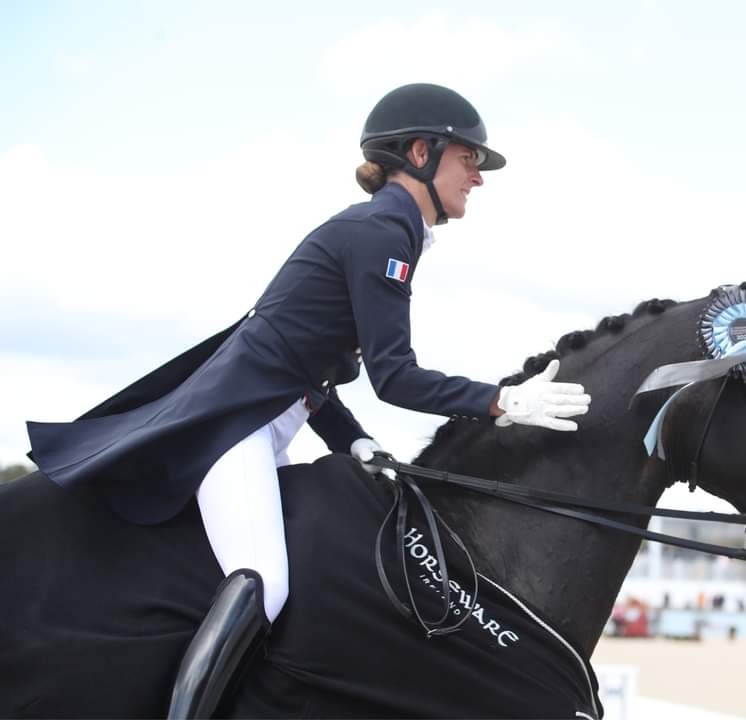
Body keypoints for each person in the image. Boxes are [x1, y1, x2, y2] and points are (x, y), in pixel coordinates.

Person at [25, 83, 591, 718]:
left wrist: (353, 440)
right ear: (421, 151)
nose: (478, 178)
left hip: (269, 426)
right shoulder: (382, 231)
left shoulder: (387, 230)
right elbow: (394, 377)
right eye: (470, 159)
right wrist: (499, 403)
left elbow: (305, 369)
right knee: (263, 583)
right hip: (233, 430)